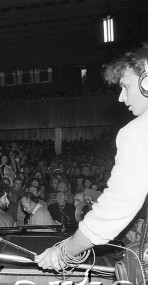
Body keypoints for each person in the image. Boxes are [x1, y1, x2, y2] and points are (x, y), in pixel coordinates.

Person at [37, 45, 148, 270]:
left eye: (125, 86)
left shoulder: (138, 131)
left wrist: (63, 251)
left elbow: (113, 212)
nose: (121, 97)